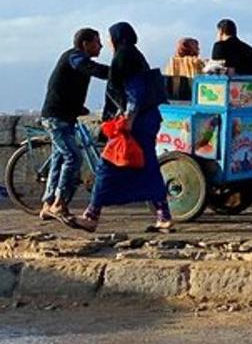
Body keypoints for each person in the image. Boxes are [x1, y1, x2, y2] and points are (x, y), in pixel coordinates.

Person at [76, 22, 172, 233]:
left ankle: (92, 215)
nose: (108, 43)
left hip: (134, 124)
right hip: (147, 121)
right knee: (148, 168)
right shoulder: (135, 55)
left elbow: (134, 91)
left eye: (109, 38)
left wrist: (128, 117)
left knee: (107, 166)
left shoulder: (124, 57)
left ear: (116, 38)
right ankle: (163, 215)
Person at [37, 27, 109, 225]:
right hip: (56, 118)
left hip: (65, 116)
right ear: (85, 44)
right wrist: (117, 72)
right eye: (97, 42)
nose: (101, 46)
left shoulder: (79, 60)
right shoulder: (74, 57)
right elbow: (89, 69)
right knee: (73, 157)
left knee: (60, 159)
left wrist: (80, 108)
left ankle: (47, 205)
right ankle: (59, 204)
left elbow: (68, 86)